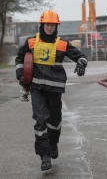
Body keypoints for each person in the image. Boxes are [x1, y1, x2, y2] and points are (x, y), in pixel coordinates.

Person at [15, 9, 88, 173]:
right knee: (40, 120)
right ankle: (45, 156)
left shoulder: (62, 44)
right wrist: (20, 74)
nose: (49, 27)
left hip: (54, 89)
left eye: (52, 25)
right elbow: (20, 58)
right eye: (47, 24)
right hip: (37, 88)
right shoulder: (31, 42)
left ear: (56, 26)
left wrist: (82, 64)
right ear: (42, 25)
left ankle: (53, 144)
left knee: (54, 122)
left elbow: (80, 56)